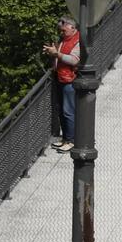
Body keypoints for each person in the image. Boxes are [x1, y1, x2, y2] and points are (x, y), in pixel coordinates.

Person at [44, 12, 81, 148]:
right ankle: (65, 139)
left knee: (68, 111)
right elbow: (59, 57)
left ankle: (71, 141)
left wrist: (57, 54)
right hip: (60, 77)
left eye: (64, 30)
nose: (62, 32)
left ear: (72, 27)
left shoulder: (77, 41)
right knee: (61, 111)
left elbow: (73, 60)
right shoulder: (64, 39)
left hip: (69, 80)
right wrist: (52, 54)